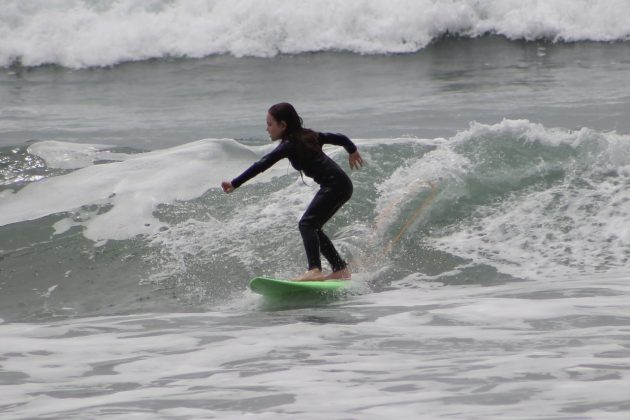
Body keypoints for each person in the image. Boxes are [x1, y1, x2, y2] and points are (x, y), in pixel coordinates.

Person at [221, 102, 363, 281]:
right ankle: (339, 268)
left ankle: (314, 270)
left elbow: (262, 164)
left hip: (335, 186)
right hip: (339, 185)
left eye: (270, 124)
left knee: (307, 224)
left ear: (283, 125)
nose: (267, 129)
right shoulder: (309, 135)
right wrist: (352, 151)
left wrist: (234, 183)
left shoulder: (290, 144)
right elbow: (341, 138)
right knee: (313, 226)